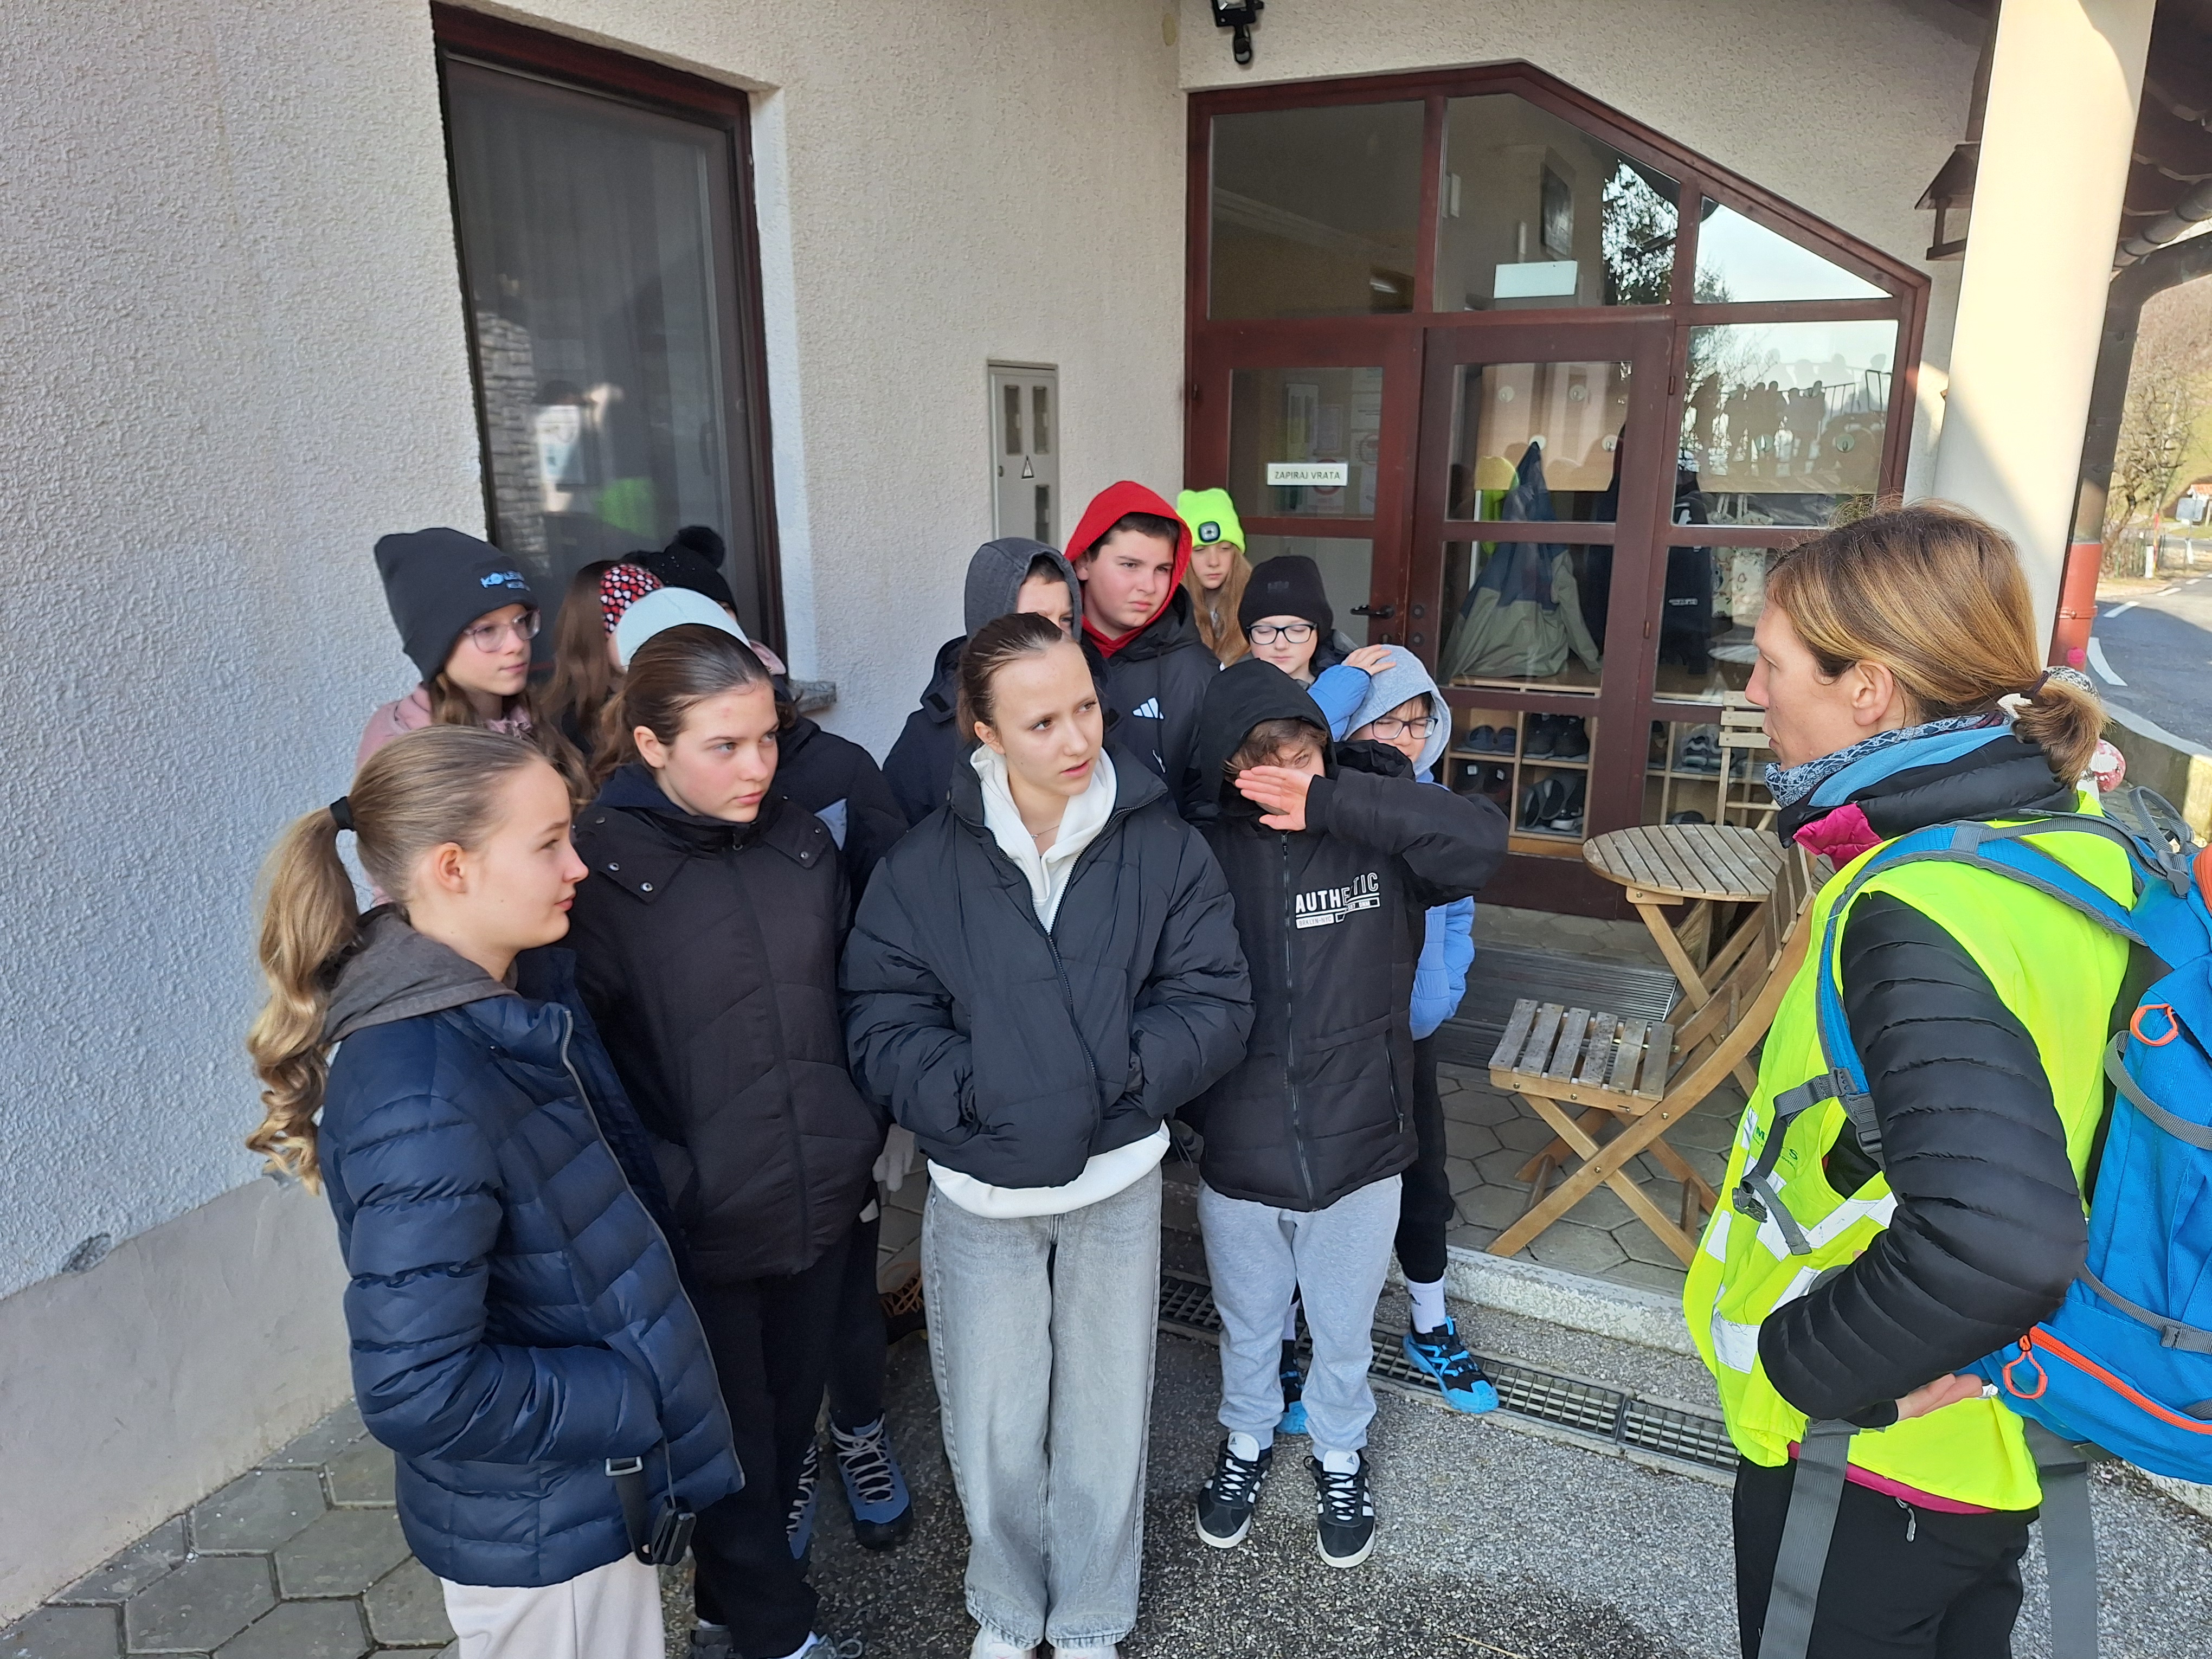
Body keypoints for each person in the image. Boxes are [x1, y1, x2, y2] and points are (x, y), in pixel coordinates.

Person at [1685, 504, 2129, 1659]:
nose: (1752, 693)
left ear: (1869, 691)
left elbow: (1999, 1242)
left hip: (1871, 1470)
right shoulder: (2064, 836)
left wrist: (1810, 1374)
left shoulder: (1916, 903)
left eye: (1772, 665)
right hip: (1997, 1443)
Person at [245, 725, 738, 1659]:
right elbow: (416, 1388)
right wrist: (629, 1396)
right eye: (548, 843)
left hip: (570, 1498)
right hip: (545, 1533)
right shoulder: (424, 1083)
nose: (579, 867)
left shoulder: (502, 1006)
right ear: (452, 868)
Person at [842, 613, 1252, 1659]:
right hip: (979, 1190)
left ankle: (1091, 1618)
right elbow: (881, 1019)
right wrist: (987, 1095)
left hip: (1116, 1180)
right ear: (983, 732)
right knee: (992, 1418)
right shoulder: (924, 867)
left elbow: (1213, 999)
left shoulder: (1163, 844)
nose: (1076, 739)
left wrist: (1103, 1084)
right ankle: (1008, 1607)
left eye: (1085, 709)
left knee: (1108, 1413)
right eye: (1041, 722)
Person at [564, 625, 884, 1659]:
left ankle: (725, 1615)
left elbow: (854, 996)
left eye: (769, 739)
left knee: (786, 1429)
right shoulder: (595, 874)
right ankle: (782, 1634)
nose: (758, 767)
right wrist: (673, 1183)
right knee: (733, 1449)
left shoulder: (801, 843)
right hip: (698, 1228)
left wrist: (856, 1128)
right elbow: (581, 1068)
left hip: (818, 1196)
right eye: (725, 746)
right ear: (651, 745)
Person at [1185, 659, 1505, 1571]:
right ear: (1227, 768)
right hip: (1242, 1145)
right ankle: (1247, 1438)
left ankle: (1339, 1452)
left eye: (1305, 752)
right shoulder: (1200, 848)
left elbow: (1480, 845)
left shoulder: (1377, 831)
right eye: (1265, 759)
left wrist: (1332, 803)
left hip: (1361, 1140)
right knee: (1250, 1323)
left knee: (1341, 1326)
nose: (1290, 771)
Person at [1333, 654, 1497, 1416]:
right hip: (1338, 1034)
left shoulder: (1441, 809)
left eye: (1419, 720)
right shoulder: (1328, 807)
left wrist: (1444, 988)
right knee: (1331, 1187)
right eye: (1387, 721)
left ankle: (1430, 1322)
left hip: (1413, 1032)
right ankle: (1306, 1337)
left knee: (1423, 1178)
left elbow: (1458, 915)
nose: (1406, 737)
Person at [355, 528, 582, 792]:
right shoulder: (411, 756)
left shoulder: (535, 719)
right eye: (487, 630)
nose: (517, 644)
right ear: (437, 645)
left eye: (521, 621)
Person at [882, 538, 1081, 825]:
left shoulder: (1094, 712)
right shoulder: (926, 741)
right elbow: (903, 847)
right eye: (1035, 621)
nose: (1056, 635)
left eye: (1066, 619)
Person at [1068, 481, 1221, 817]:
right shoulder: (1044, 655)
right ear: (1083, 562)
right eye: (1130, 566)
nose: (1149, 586)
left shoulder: (1198, 671)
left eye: (1162, 570)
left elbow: (1209, 803)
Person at [1238, 554, 1397, 735]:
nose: (1280, 644)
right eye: (1264, 631)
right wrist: (1329, 702)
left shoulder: (1361, 678)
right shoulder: (1227, 694)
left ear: (1319, 632)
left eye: (1297, 630)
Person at [541, 560, 663, 764]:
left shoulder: (676, 691)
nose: (653, 633)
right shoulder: (569, 724)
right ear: (595, 635)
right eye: (632, 623)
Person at [1176, 487, 1252, 665]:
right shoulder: (1171, 615)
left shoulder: (1256, 606)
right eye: (1199, 550)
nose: (1213, 562)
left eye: (1225, 549)